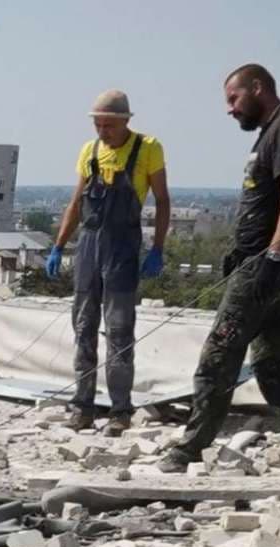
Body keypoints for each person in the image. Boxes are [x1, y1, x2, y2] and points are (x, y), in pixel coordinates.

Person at [156, 64, 280, 473]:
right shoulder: (271, 131)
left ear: (258, 88)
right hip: (264, 266)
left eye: (234, 98)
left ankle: (189, 449)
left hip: (264, 268)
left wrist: (272, 257)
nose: (230, 109)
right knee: (275, 365)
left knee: (219, 357)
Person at [44, 89, 170, 436]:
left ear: (126, 121)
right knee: (83, 326)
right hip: (88, 244)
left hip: (122, 245)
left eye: (109, 125)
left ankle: (119, 409)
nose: (103, 131)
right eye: (98, 125)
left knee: (118, 331)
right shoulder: (90, 151)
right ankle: (82, 405)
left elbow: (162, 201)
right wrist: (59, 245)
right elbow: (75, 202)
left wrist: (157, 247)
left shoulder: (147, 148)